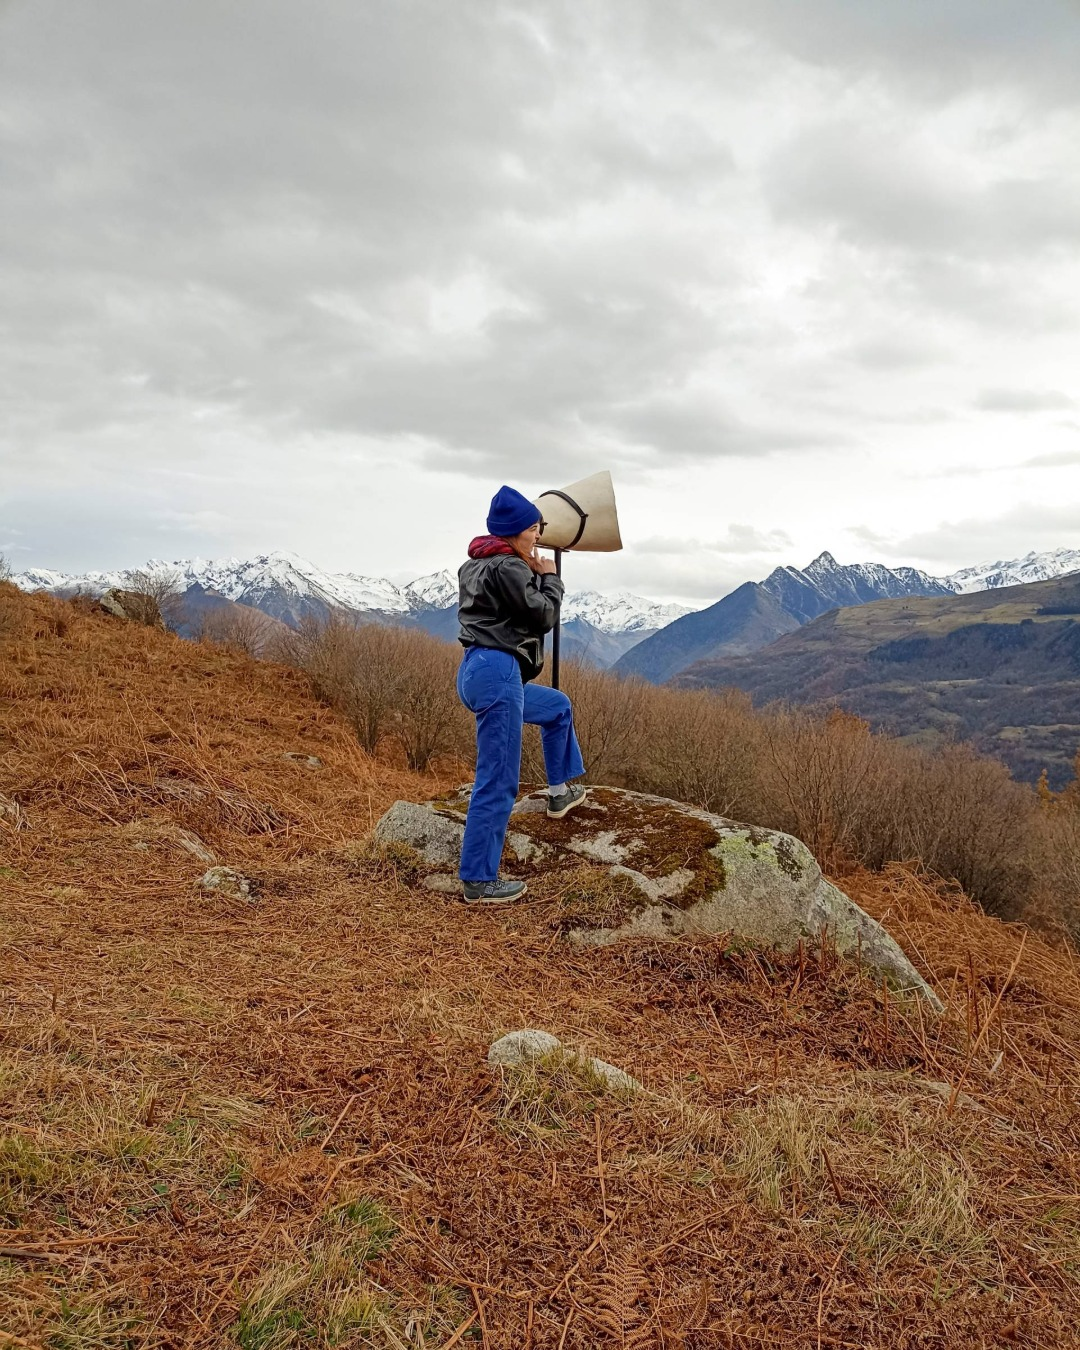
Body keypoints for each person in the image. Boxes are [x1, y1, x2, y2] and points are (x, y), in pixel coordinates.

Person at [456, 484, 588, 903]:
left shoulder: (476, 564)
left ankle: (560, 790)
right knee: (498, 778)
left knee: (557, 707)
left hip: (478, 670)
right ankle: (478, 879)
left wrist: (530, 566)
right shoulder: (509, 567)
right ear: (515, 530)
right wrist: (551, 578)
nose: (538, 535)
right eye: (534, 528)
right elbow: (543, 615)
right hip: (498, 671)